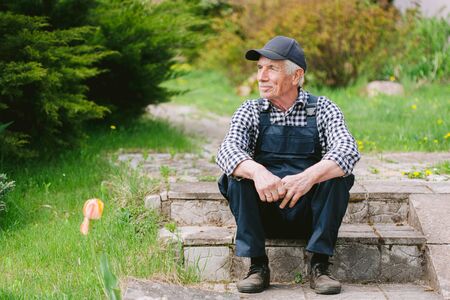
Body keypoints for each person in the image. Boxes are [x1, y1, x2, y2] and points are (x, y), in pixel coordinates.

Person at [216, 36, 360, 295]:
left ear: (296, 76)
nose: (261, 76)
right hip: (264, 211)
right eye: (259, 68)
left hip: (310, 213)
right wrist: (258, 171)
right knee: (235, 175)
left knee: (338, 176)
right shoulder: (250, 110)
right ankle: (257, 265)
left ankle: (320, 265)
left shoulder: (323, 108)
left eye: (271, 68)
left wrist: (309, 177)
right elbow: (227, 150)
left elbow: (347, 150)